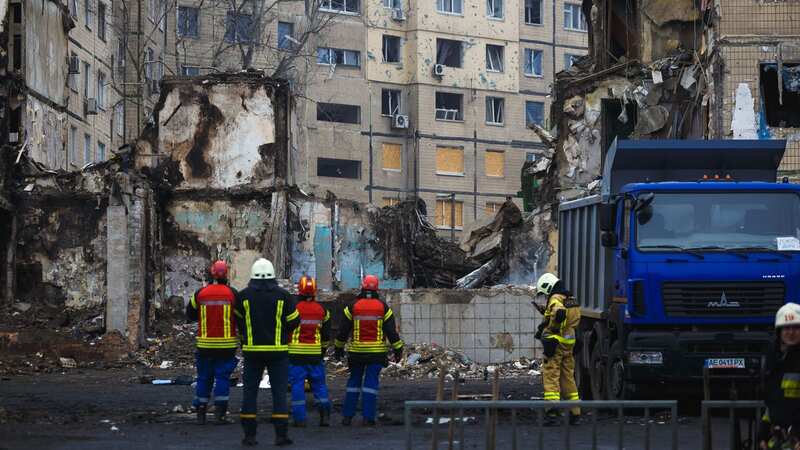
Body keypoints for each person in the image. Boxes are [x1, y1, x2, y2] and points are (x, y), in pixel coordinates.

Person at [235, 258, 300, 447]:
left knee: (250, 392)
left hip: (252, 351)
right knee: (279, 393)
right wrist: (282, 332)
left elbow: (238, 319)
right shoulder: (284, 296)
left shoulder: (243, 296)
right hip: (278, 351)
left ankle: (249, 436)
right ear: (273, 275)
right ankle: (280, 435)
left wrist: (247, 336)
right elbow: (295, 321)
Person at [334, 275, 403, 426]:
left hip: (357, 353)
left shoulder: (352, 306)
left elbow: (343, 331)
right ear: (377, 289)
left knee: (354, 383)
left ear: (362, 287)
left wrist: (338, 348)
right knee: (371, 384)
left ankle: (347, 417)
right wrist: (398, 349)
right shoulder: (383, 307)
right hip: (376, 355)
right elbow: (392, 332)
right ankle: (368, 418)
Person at [185, 260, 239, 425]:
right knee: (222, 377)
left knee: (204, 377)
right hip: (226, 345)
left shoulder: (200, 293)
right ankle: (220, 413)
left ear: (211, 274)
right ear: (226, 275)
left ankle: (201, 412)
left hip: (205, 344)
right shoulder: (233, 294)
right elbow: (240, 316)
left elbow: (190, 314)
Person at [534, 272, 582, 426]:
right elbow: (571, 319)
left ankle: (552, 412)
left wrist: (553, 331)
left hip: (555, 345)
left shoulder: (555, 299)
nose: (544, 296)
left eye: (544, 292)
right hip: (569, 343)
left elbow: (559, 313)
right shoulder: (571, 299)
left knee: (551, 375)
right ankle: (575, 412)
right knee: (568, 376)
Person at [288, 275, 332, 427]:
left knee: (297, 386)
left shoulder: (293, 309)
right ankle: (325, 414)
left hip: (295, 354)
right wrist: (323, 350)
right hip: (314, 354)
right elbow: (326, 336)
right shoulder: (322, 310)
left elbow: (285, 330)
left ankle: (299, 419)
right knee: (319, 385)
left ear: (299, 290)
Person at [759, 302, 800, 450]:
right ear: (779, 332)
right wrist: (762, 435)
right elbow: (772, 403)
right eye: (786, 328)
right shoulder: (773, 360)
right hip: (777, 440)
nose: (791, 332)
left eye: (796, 327)